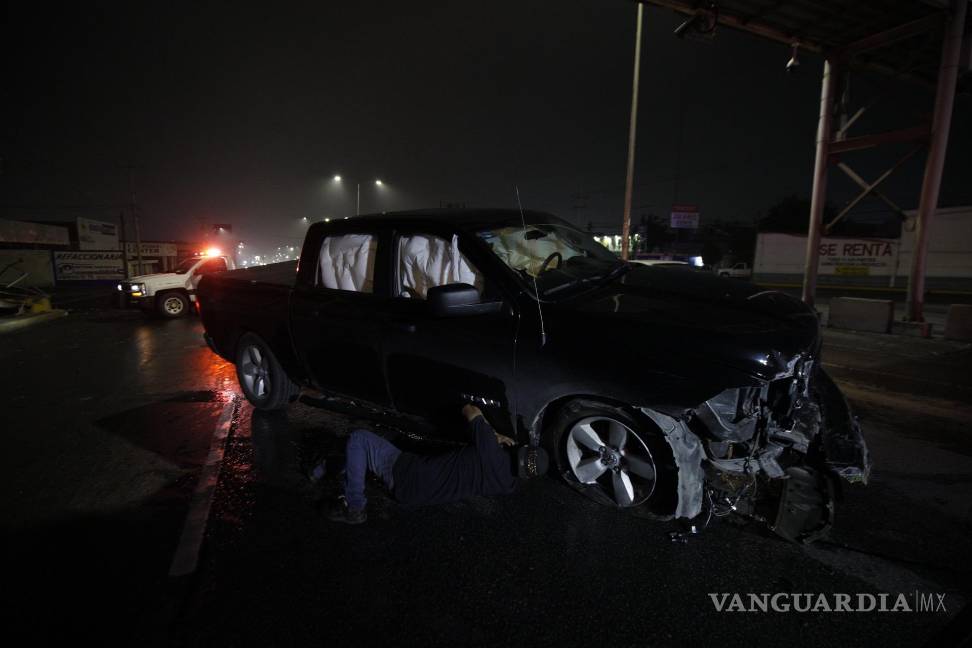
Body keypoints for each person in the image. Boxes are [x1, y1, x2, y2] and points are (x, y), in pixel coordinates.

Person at [322, 403, 548, 524]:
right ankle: (322, 469)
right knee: (366, 451)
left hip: (406, 473)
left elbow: (470, 409)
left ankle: (355, 506)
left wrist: (496, 435)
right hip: (415, 496)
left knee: (359, 439)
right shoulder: (507, 485)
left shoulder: (490, 449)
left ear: (519, 448)